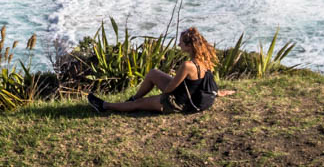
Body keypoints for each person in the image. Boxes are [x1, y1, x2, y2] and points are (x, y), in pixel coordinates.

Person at [87, 27, 234, 114]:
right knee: (153, 73)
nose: (178, 44)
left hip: (180, 102)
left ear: (189, 46)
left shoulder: (188, 65)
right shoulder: (205, 60)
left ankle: (104, 106)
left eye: (181, 42)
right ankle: (133, 98)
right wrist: (219, 93)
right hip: (190, 95)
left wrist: (153, 100)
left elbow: (170, 89)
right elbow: (206, 84)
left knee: (138, 105)